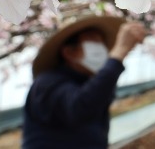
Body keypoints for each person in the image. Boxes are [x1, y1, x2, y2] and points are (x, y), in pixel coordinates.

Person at [22, 15, 147, 149]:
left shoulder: (86, 81)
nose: (102, 50)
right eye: (93, 42)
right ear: (69, 52)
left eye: (102, 43)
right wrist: (118, 54)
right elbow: (81, 107)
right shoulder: (46, 83)